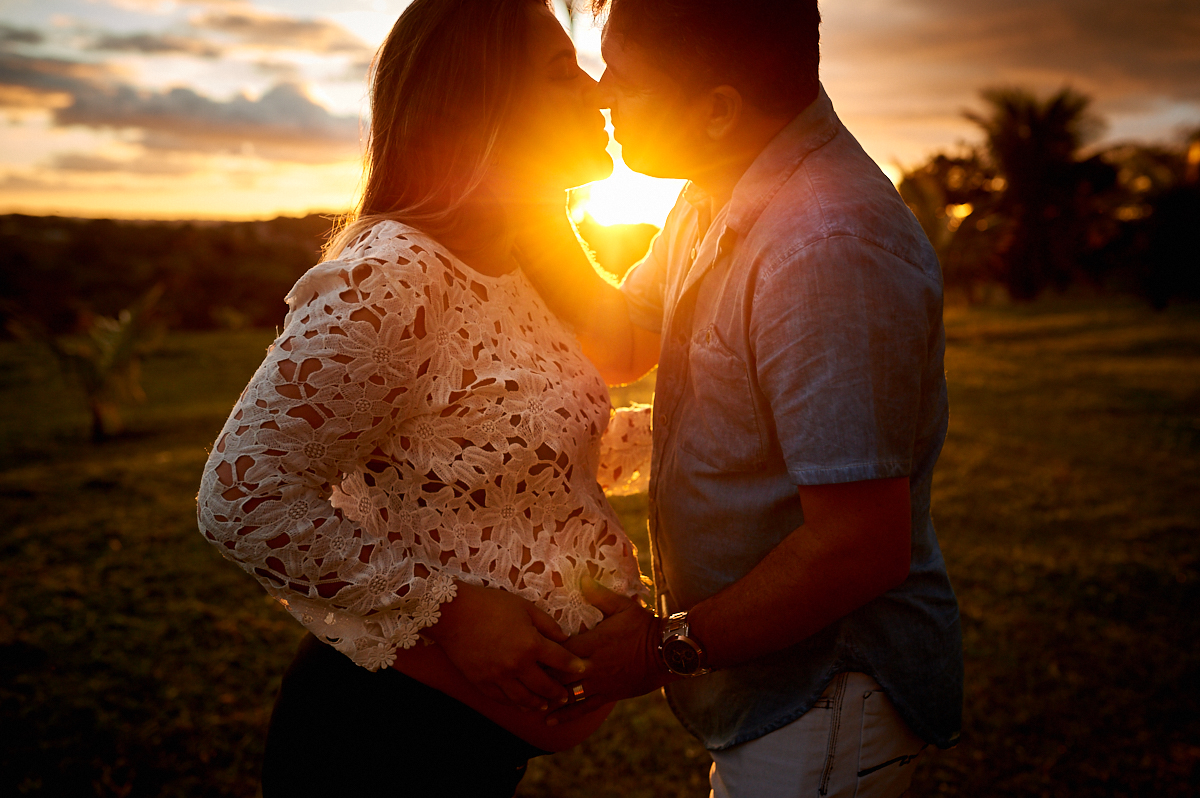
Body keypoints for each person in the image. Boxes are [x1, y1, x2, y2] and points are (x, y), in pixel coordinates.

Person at [194, 1, 654, 795]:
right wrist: (456, 611)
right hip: (380, 740)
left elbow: (515, 452)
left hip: (469, 745)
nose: (599, 91)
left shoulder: (515, 265)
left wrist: (722, 433)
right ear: (485, 105)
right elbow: (243, 499)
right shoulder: (393, 275)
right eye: (560, 73)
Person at [517, 1, 964, 796]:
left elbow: (858, 545)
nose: (600, 92)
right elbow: (623, 342)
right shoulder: (714, 187)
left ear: (718, 108)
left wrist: (658, 650)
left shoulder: (826, 248)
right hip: (772, 692)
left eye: (623, 73)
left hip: (824, 700)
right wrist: (529, 204)